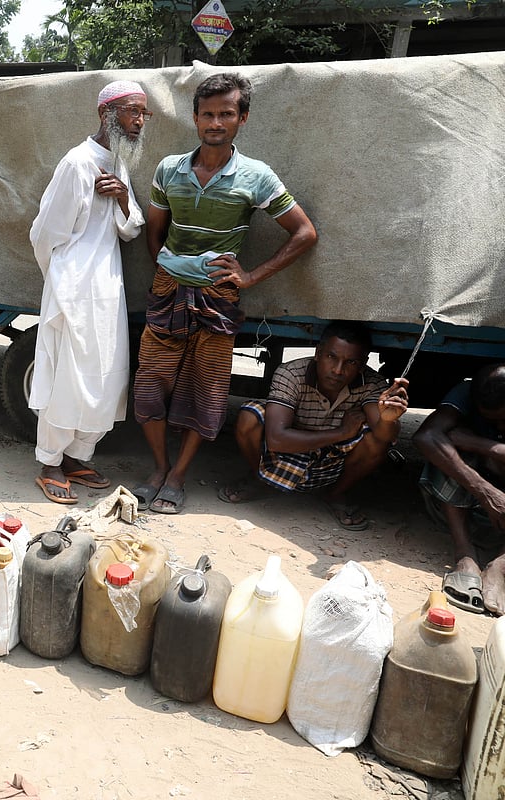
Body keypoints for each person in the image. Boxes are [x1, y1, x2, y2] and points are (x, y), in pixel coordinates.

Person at [133, 72, 318, 514]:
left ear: (243, 118)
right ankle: (158, 468)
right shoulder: (168, 169)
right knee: (148, 387)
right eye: (208, 114)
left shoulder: (257, 176)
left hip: (218, 300)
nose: (216, 122)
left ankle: (178, 477)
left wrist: (251, 277)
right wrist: (167, 267)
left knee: (207, 390)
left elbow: (304, 233)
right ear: (195, 117)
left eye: (226, 114)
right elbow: (155, 232)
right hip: (167, 294)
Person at [27, 80, 149, 505]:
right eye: (132, 111)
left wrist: (122, 198)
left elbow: (131, 229)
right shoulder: (77, 163)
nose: (139, 121)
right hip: (73, 289)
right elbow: (45, 233)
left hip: (107, 288)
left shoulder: (117, 163)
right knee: (67, 378)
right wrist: (61, 283)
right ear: (106, 113)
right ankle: (50, 463)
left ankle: (78, 457)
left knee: (105, 377)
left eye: (143, 113)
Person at [217, 321, 409, 529]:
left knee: (376, 440)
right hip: (290, 447)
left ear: (362, 365)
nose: (338, 370)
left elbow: (384, 436)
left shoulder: (372, 383)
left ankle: (335, 493)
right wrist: (342, 432)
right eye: (331, 357)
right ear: (318, 354)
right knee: (249, 417)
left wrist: (388, 419)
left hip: (331, 459)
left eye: (351, 362)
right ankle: (261, 480)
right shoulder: (291, 373)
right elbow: (276, 440)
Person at [415, 364, 505, 615]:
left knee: (473, 447)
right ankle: (465, 554)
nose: (500, 427)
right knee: (446, 450)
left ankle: (500, 565)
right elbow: (426, 436)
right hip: (475, 504)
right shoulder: (466, 392)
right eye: (492, 420)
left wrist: (477, 443)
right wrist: (486, 492)